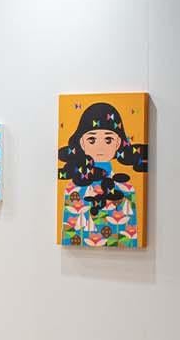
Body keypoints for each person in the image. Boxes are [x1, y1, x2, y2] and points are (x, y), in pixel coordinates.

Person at [58, 101, 148, 248]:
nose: (100, 146)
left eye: (108, 139)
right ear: (82, 143)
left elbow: (130, 239)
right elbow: (68, 236)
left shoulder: (126, 189)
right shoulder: (72, 189)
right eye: (92, 139)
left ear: (118, 143)